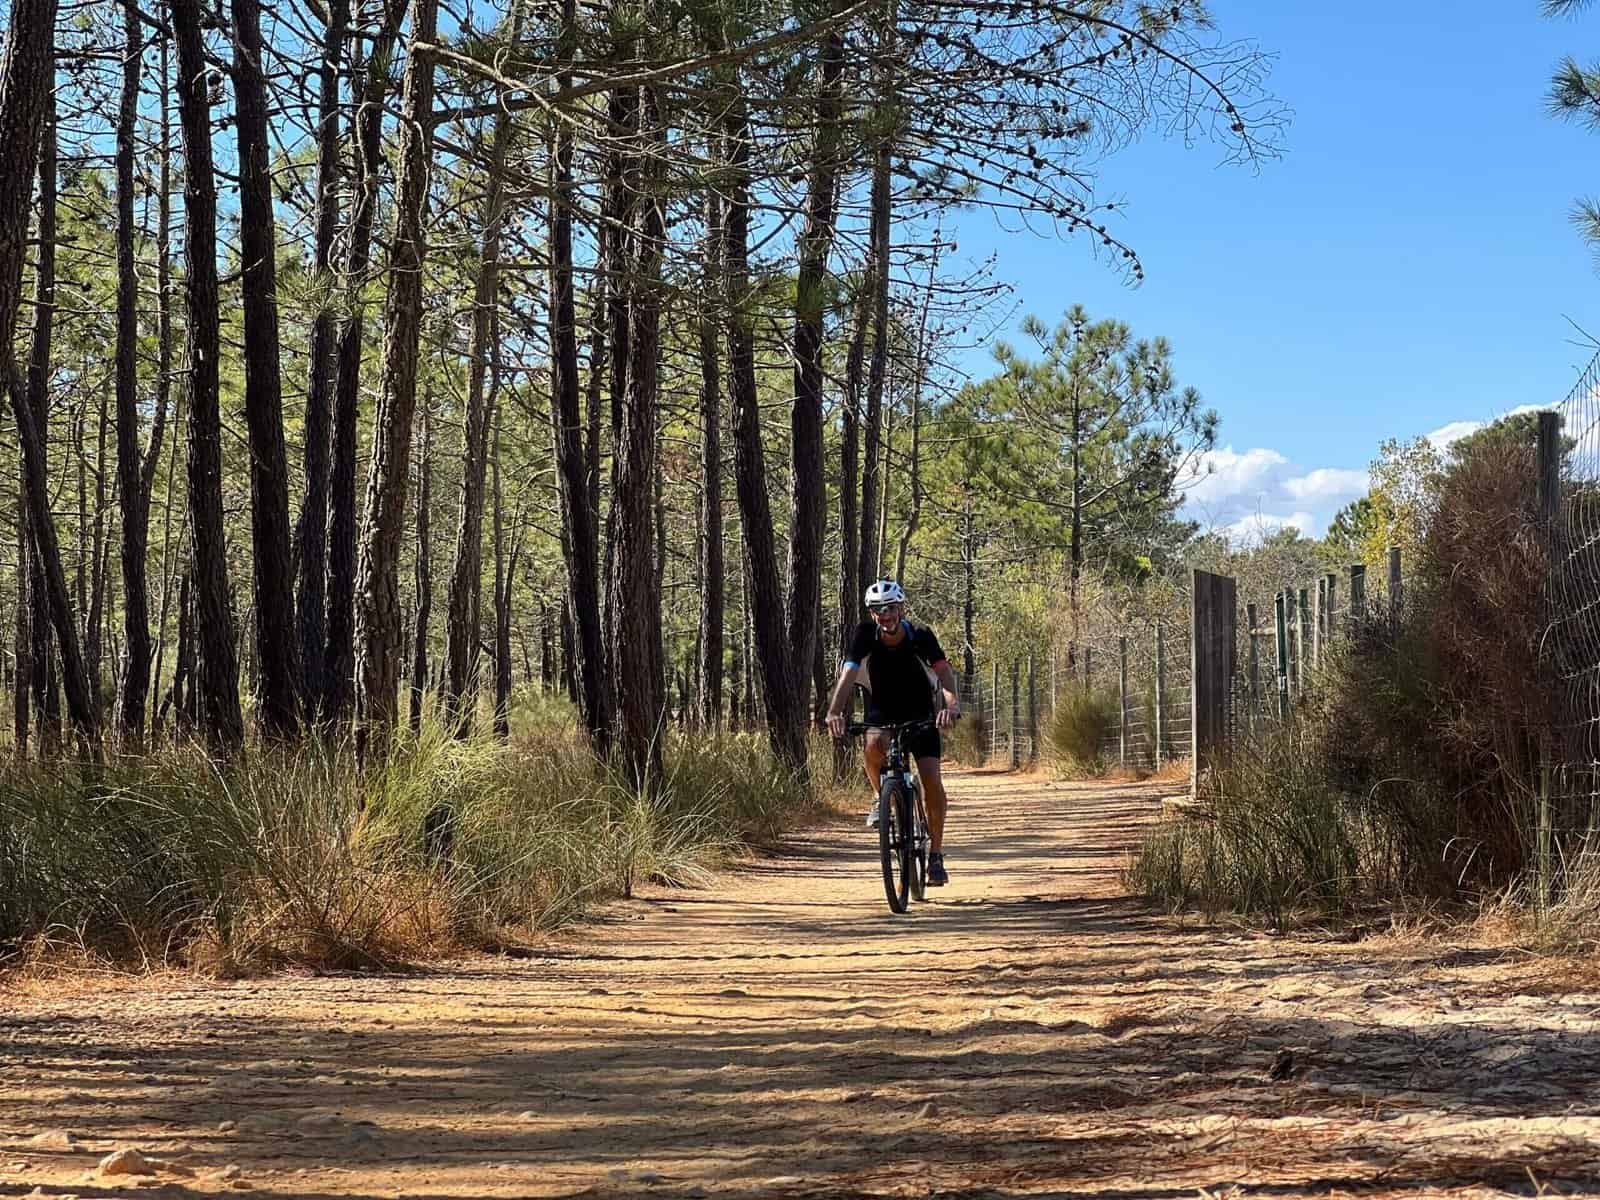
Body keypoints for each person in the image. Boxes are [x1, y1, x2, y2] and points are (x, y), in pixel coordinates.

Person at [824, 579, 962, 886]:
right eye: (877, 610)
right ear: (872, 613)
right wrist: (835, 711)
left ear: (900, 608)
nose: (884, 615)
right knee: (872, 743)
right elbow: (848, 674)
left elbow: (944, 674)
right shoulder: (864, 635)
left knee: (931, 778)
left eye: (889, 608)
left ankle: (936, 855)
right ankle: (879, 797)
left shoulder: (921, 636)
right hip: (883, 711)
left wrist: (951, 707)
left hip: (922, 713)